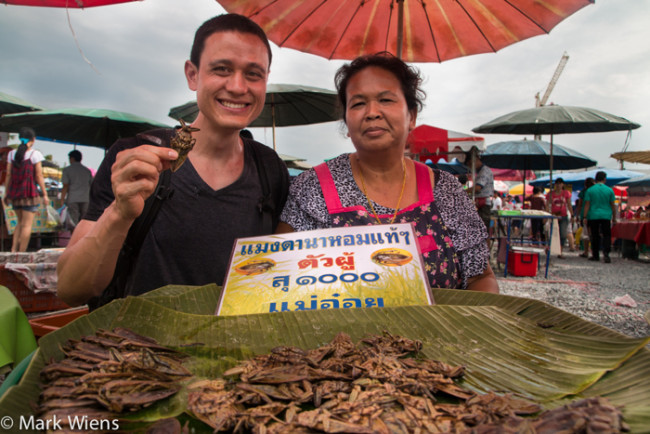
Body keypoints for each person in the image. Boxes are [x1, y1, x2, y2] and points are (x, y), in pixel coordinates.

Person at [57, 14, 290, 307]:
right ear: (192, 75)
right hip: (136, 348)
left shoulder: (270, 170)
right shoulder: (134, 157)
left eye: (253, 74)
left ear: (266, 79)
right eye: (222, 69)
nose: (238, 86)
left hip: (233, 348)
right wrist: (120, 212)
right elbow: (70, 288)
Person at [277, 53, 498, 293]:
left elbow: (480, 278)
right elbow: (279, 274)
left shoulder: (446, 191)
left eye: (386, 100)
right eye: (358, 103)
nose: (372, 112)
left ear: (411, 116)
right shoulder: (312, 189)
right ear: (347, 124)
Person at [3, 127, 50, 252]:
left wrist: (6, 193)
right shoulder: (35, 154)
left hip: (15, 193)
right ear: (33, 140)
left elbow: (8, 174)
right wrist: (45, 194)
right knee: (27, 225)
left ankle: (14, 250)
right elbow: (39, 176)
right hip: (29, 193)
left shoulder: (11, 154)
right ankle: (22, 252)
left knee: (19, 223)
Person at [583, 171, 616, 263]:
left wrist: (585, 217)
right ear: (604, 179)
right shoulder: (609, 190)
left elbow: (587, 205)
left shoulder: (590, 190)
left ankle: (595, 255)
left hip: (593, 215)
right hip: (606, 216)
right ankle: (606, 254)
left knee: (594, 235)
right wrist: (614, 217)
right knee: (606, 235)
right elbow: (613, 205)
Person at [60, 150, 93, 228]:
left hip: (73, 199)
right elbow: (92, 184)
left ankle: (74, 238)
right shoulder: (87, 171)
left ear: (72, 158)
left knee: (73, 222)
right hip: (85, 198)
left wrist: (62, 200)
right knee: (85, 221)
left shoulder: (67, 170)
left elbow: (65, 186)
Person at [546, 178, 571, 258]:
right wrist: (547, 215)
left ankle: (560, 251)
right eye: (557, 183)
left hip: (563, 216)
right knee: (553, 234)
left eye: (560, 183)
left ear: (563, 184)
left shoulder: (566, 193)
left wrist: (573, 215)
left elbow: (569, 204)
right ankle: (550, 249)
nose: (558, 185)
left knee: (563, 234)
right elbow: (547, 205)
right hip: (553, 216)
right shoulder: (550, 194)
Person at [576, 177, 595, 258]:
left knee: (586, 234)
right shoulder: (595, 191)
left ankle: (586, 251)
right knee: (593, 234)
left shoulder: (583, 192)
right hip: (594, 214)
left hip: (585, 215)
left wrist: (578, 215)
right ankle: (594, 251)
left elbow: (580, 205)